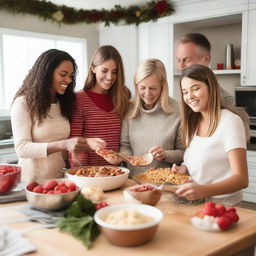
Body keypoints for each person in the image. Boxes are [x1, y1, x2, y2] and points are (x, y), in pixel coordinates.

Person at [174, 64, 248, 206]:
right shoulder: (194, 121)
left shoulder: (230, 121)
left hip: (224, 206)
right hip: (197, 203)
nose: (190, 96)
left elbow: (241, 179)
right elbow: (198, 159)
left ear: (211, 87)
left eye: (195, 88)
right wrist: (184, 168)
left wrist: (203, 190)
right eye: (185, 92)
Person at [11, 49, 90, 183]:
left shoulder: (63, 103)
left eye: (71, 76)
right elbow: (22, 148)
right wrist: (64, 144)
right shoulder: (23, 103)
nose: (68, 80)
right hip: (32, 182)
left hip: (60, 181)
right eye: (63, 74)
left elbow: (63, 144)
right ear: (46, 73)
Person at [118, 58, 184, 176]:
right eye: (142, 88)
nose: (147, 93)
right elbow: (125, 145)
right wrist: (128, 158)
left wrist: (165, 154)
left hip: (165, 183)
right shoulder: (129, 108)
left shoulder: (177, 110)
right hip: (133, 181)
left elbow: (183, 152)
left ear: (162, 86)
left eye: (153, 88)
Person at [69, 45, 130, 166]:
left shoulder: (122, 97)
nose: (110, 77)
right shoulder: (79, 99)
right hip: (88, 173)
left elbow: (124, 141)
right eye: (104, 71)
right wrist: (87, 142)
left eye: (115, 72)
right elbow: (72, 143)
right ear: (93, 68)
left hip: (116, 173)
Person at [175, 33, 235, 107]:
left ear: (206, 59)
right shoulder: (182, 97)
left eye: (186, 60)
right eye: (178, 60)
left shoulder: (225, 101)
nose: (180, 67)